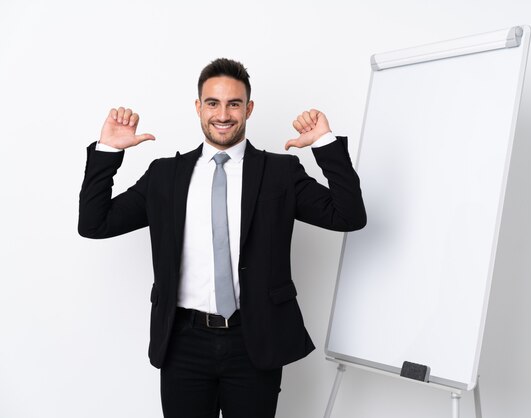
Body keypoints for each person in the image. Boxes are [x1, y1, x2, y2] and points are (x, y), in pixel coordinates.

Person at [78, 58, 366, 418]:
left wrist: (323, 143)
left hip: (254, 340)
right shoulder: (165, 176)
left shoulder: (279, 173)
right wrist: (109, 152)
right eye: (213, 103)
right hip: (183, 342)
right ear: (199, 107)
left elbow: (350, 216)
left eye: (234, 103)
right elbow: (94, 223)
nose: (223, 114)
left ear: (249, 108)